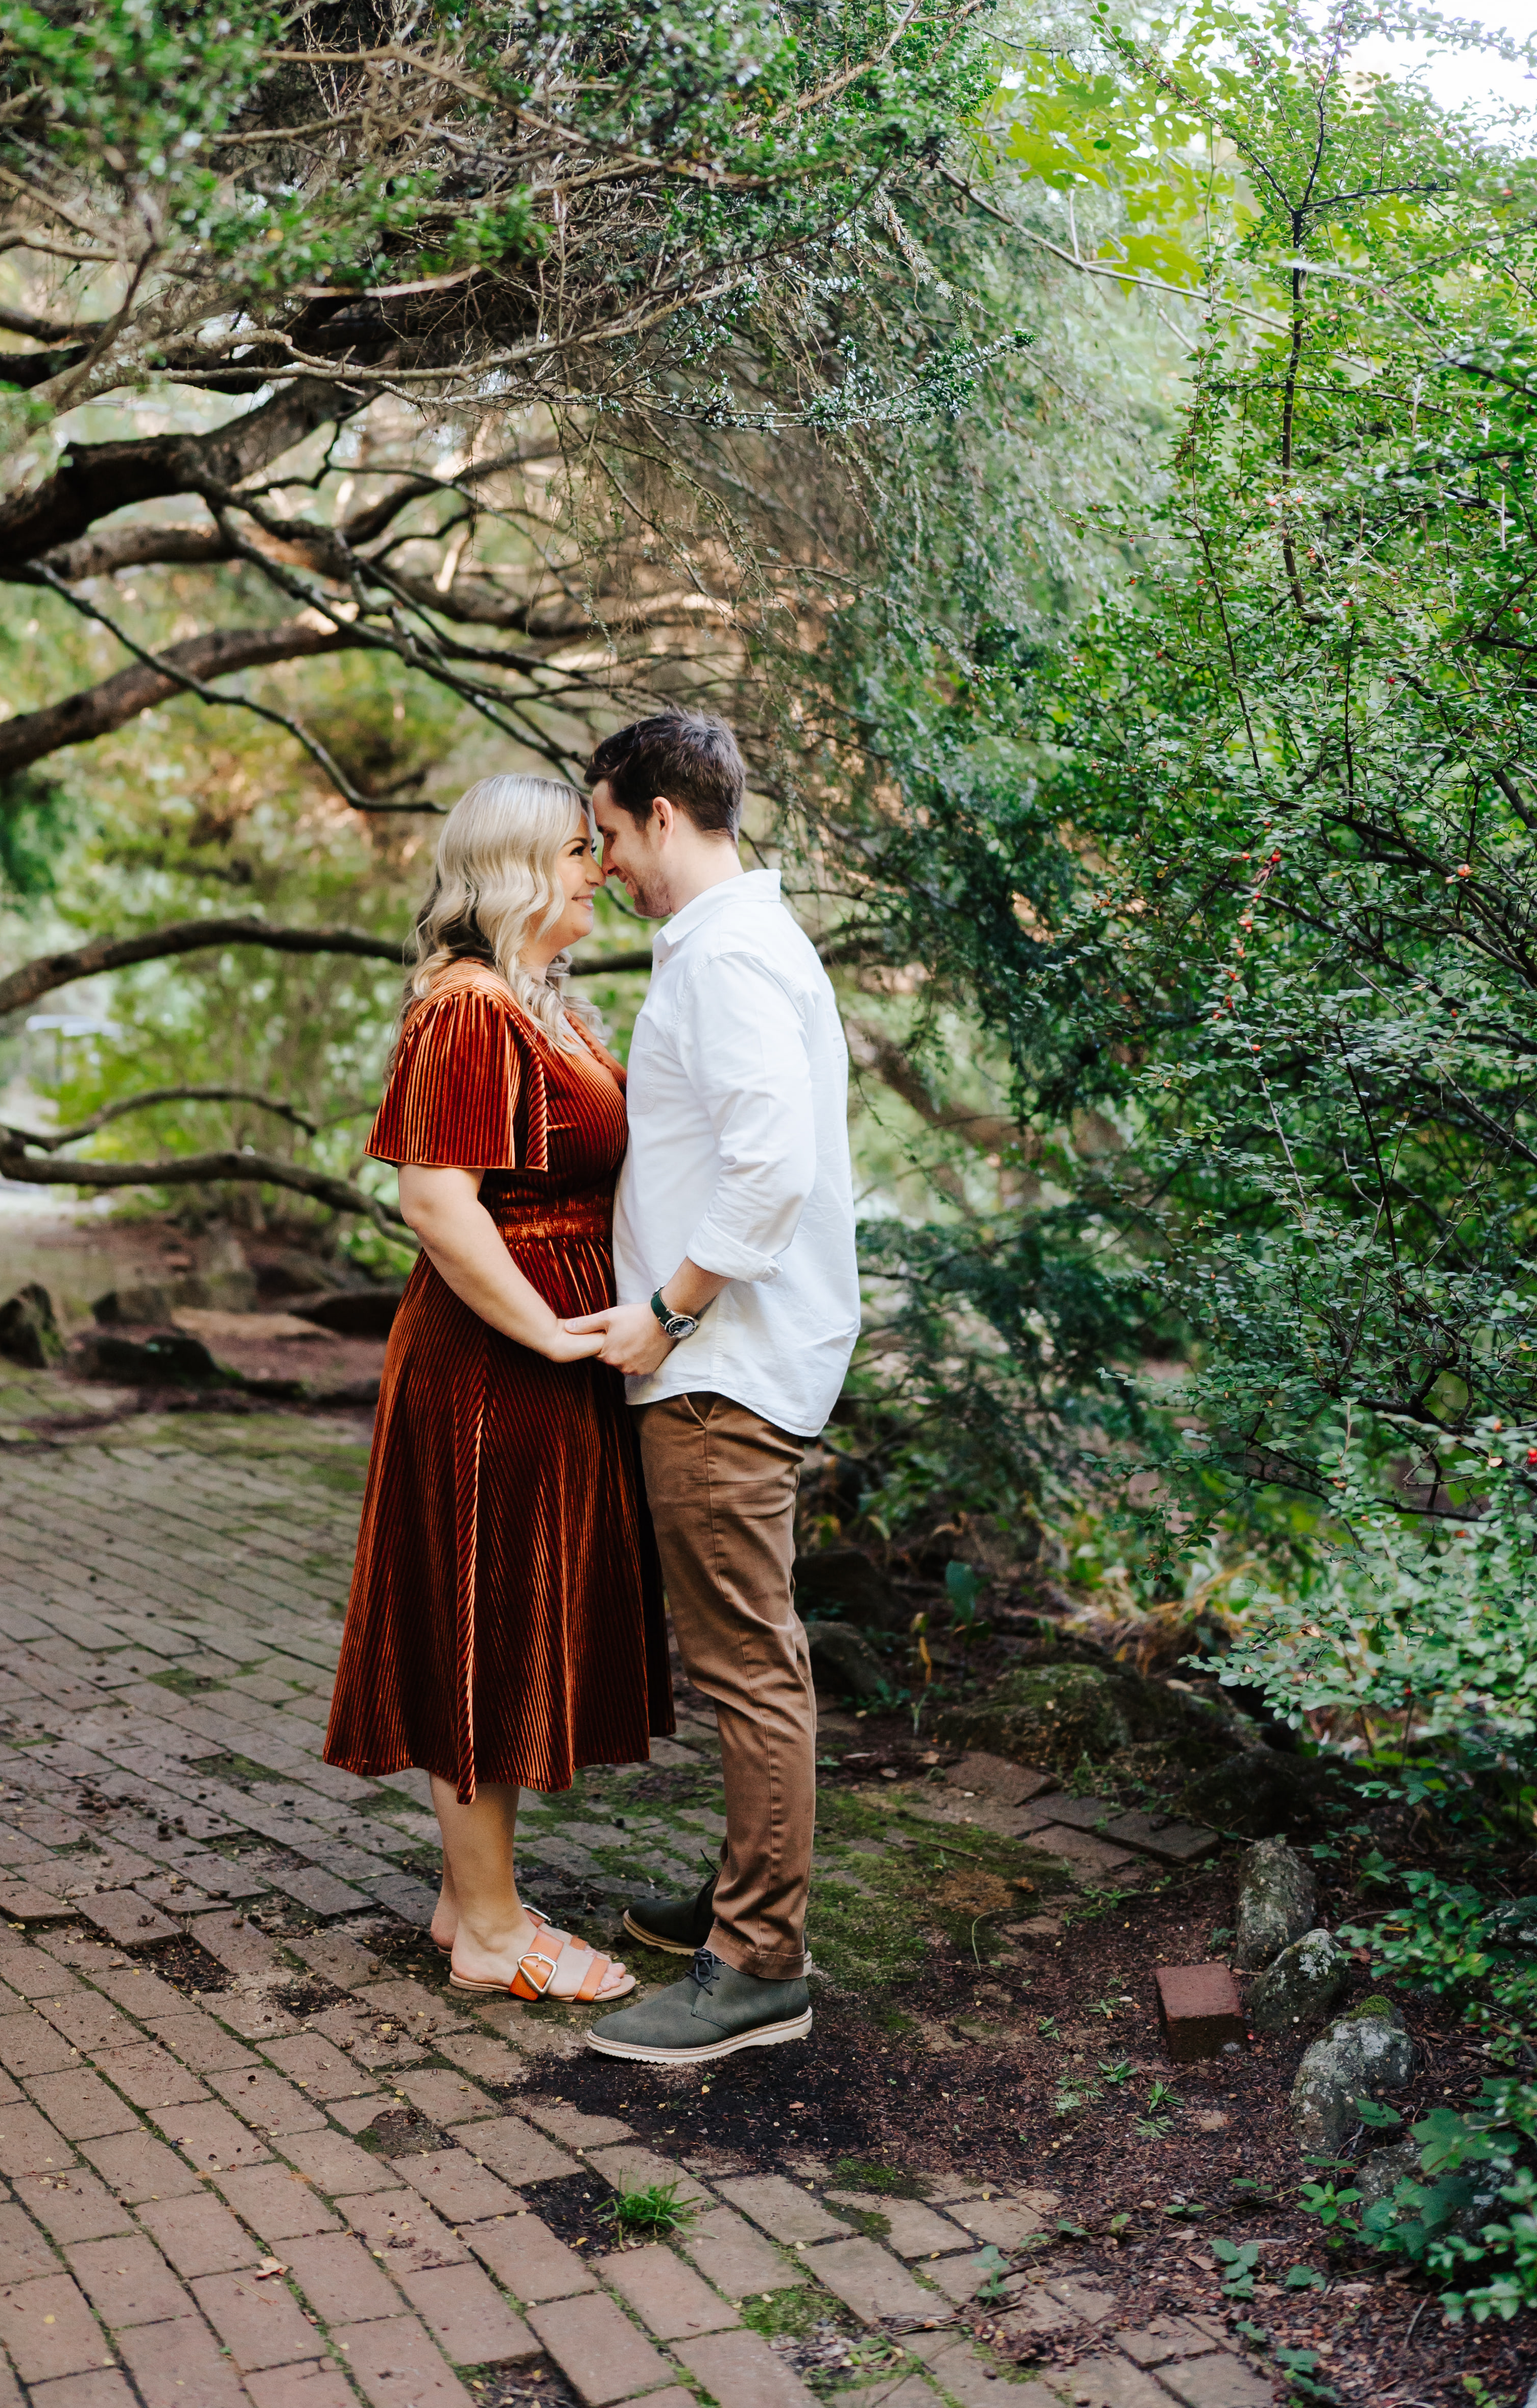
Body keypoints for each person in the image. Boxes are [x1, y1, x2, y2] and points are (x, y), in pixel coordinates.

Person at [322, 774, 668, 2006]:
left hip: (542, 1343)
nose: (599, 869)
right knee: (479, 1617)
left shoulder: (541, 1004)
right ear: (518, 868)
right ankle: (489, 1933)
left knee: (510, 1611)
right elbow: (432, 1202)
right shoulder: (469, 1009)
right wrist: (551, 1337)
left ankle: (467, 1895)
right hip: (492, 1358)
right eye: (578, 852)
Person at [564, 709, 860, 2062]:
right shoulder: (732, 946)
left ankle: (758, 1964)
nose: (607, 861)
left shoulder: (730, 956)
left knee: (749, 1665)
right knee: (745, 1654)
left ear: (664, 818)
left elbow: (773, 1165)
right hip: (723, 1363)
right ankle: (743, 1901)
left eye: (611, 834)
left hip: (723, 1366)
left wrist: (669, 1316)